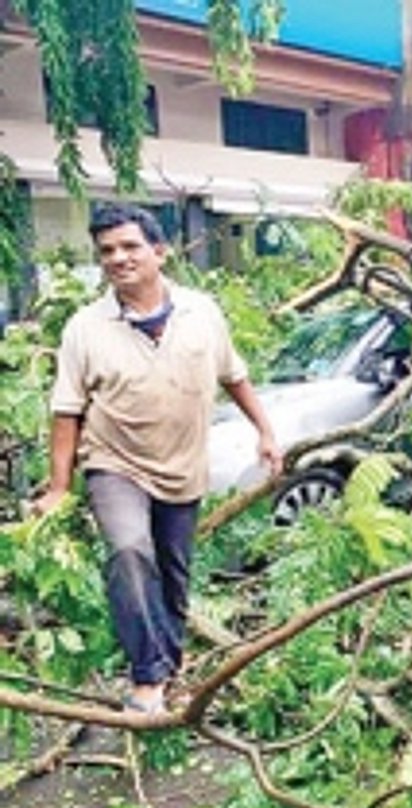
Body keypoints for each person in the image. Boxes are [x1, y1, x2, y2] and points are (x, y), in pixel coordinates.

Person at [32, 203, 283, 713]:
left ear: (159, 252)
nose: (118, 258)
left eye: (130, 247)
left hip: (183, 466)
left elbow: (233, 375)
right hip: (113, 463)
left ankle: (169, 669)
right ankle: (146, 680)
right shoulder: (85, 326)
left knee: (173, 576)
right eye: (107, 251)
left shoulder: (202, 312)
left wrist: (265, 431)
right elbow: (66, 410)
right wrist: (59, 488)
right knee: (129, 550)